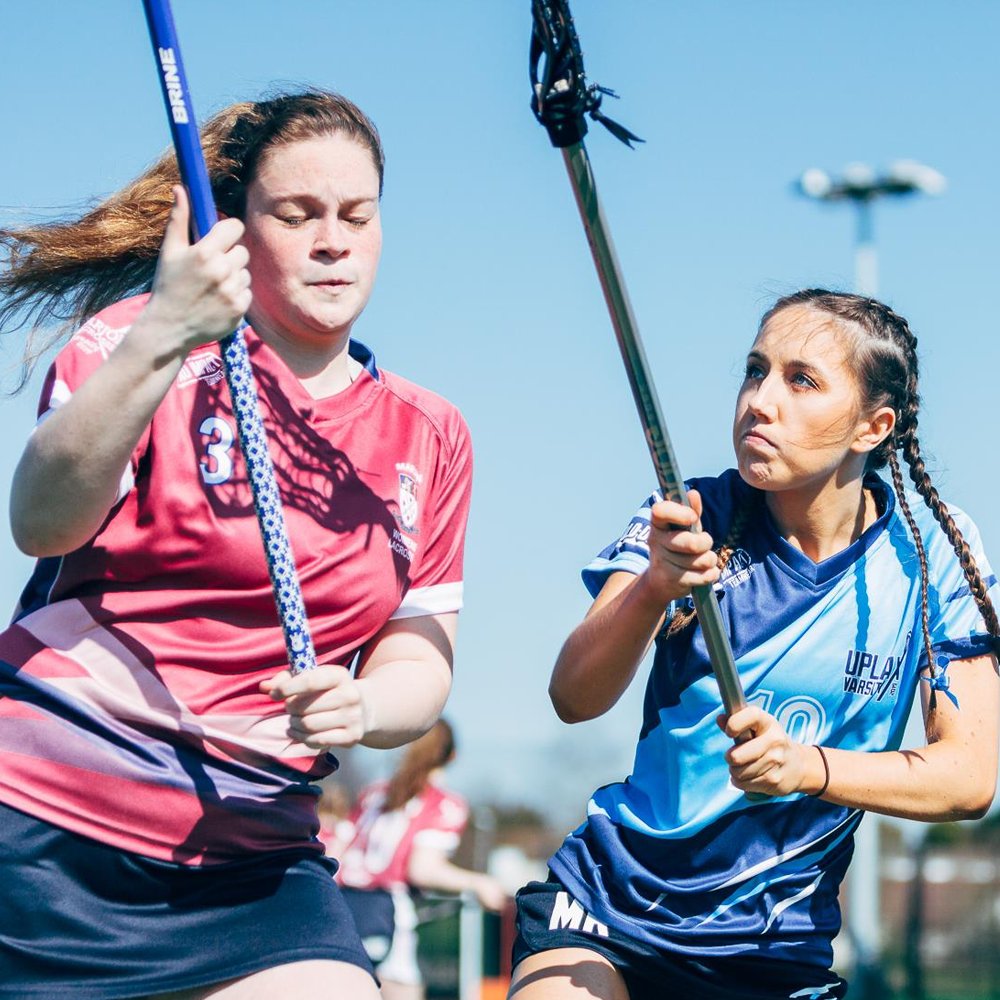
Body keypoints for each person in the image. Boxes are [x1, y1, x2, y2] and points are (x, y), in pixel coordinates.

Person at [0, 89, 472, 998]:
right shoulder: (133, 345)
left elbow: (419, 651)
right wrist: (162, 337)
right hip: (46, 825)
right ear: (235, 230)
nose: (333, 241)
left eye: (357, 215)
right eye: (297, 214)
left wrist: (366, 704)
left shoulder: (430, 432)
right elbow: (41, 521)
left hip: (254, 853)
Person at [508, 290, 1000, 1000]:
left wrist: (805, 768)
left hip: (776, 950)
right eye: (754, 370)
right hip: (609, 909)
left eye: (801, 380)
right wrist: (653, 588)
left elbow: (967, 777)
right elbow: (573, 697)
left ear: (873, 427)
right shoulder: (691, 513)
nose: (760, 402)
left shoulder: (934, 550)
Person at [329, 718, 507, 1000]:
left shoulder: (374, 793)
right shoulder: (443, 804)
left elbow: (335, 852)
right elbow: (423, 869)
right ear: (452, 755)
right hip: (385, 913)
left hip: (338, 905)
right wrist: (480, 883)